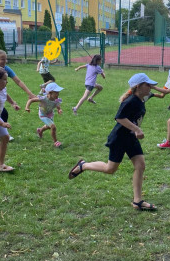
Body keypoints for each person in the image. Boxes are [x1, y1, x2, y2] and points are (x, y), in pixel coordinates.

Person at [68, 72, 158, 211]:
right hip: (119, 139)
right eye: (148, 85)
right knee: (110, 169)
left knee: (140, 165)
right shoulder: (130, 101)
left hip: (131, 138)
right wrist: (137, 129)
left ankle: (137, 201)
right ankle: (83, 165)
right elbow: (119, 118)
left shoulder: (141, 99)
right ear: (138, 86)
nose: (150, 87)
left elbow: (156, 94)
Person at [25, 82, 63, 148]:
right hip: (43, 115)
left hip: (50, 114)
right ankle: (56, 142)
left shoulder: (56, 100)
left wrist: (59, 110)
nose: (58, 94)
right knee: (53, 127)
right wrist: (27, 107)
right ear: (50, 93)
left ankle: (40, 130)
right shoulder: (43, 98)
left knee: (48, 126)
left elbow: (58, 106)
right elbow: (31, 100)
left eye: (58, 92)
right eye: (56, 93)